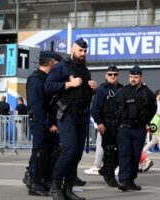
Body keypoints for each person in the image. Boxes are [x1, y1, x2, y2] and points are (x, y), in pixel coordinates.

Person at [45, 38, 97, 200]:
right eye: (80, 50)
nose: (83, 53)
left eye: (85, 51)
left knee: (76, 153)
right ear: (72, 50)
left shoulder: (85, 70)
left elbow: (84, 95)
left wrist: (92, 89)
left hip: (82, 115)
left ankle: (68, 188)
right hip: (67, 114)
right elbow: (48, 87)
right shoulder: (61, 67)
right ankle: (55, 187)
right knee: (69, 149)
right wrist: (69, 84)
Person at [24, 51, 63, 196]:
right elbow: (37, 106)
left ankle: (46, 180)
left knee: (51, 153)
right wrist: (48, 124)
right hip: (41, 122)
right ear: (51, 63)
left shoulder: (48, 79)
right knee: (40, 153)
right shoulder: (36, 79)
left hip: (50, 122)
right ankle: (34, 183)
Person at [115, 66, 157, 191]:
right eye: (131, 77)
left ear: (141, 77)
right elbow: (115, 107)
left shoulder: (147, 92)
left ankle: (131, 180)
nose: (133, 79)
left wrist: (146, 121)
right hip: (125, 128)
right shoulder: (122, 91)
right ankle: (123, 180)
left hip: (139, 128)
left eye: (136, 77)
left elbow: (152, 109)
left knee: (135, 156)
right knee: (124, 155)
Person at [90, 65, 123, 187]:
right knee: (108, 151)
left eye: (115, 74)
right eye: (110, 74)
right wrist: (99, 123)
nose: (113, 76)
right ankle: (110, 177)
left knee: (122, 151)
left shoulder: (122, 89)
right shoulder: (101, 89)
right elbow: (95, 109)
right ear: (106, 75)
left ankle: (105, 170)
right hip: (106, 124)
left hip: (119, 125)